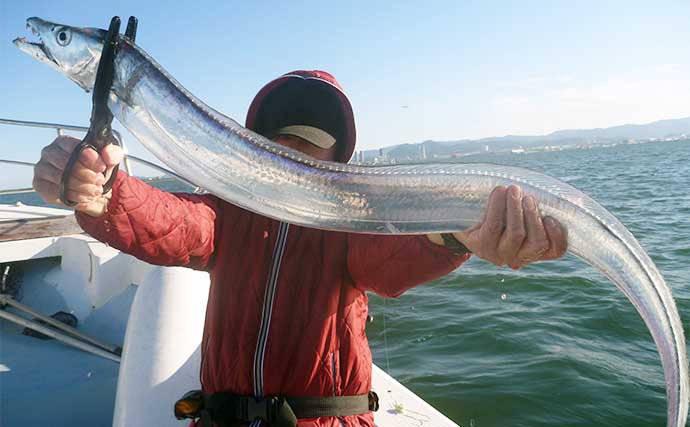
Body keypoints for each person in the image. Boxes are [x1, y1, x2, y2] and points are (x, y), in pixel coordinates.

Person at [33, 70, 567, 427]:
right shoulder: (228, 212)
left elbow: (388, 258)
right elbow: (176, 223)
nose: (292, 149)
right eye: (277, 136)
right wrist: (105, 194)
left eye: (311, 139)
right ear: (252, 142)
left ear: (339, 151)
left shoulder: (352, 219)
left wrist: (451, 235)